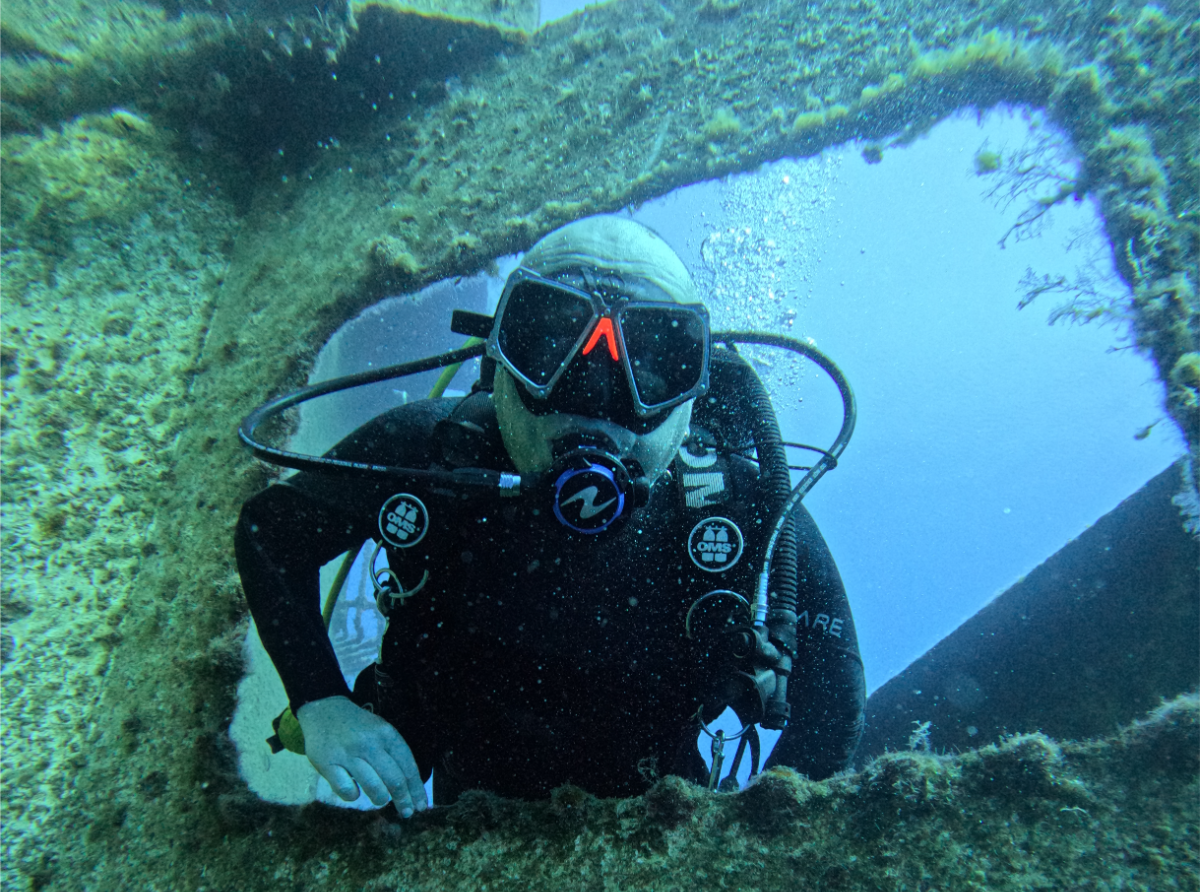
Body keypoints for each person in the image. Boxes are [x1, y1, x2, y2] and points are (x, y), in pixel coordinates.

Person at [235, 216, 864, 816]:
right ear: (499, 351)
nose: (594, 390)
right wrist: (319, 700)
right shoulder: (431, 454)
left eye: (651, 359)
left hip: (659, 827)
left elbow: (832, 697)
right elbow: (272, 534)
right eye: (548, 338)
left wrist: (747, 848)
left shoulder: (735, 510)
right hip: (465, 810)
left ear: (694, 391)